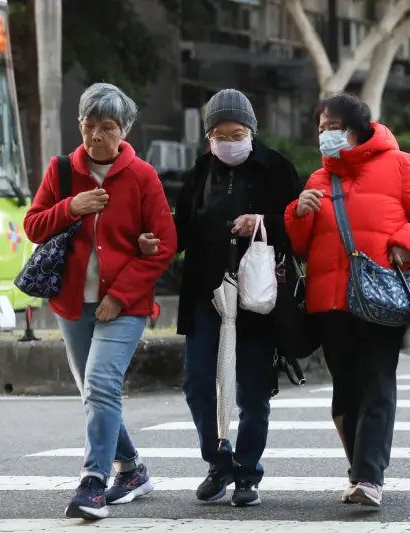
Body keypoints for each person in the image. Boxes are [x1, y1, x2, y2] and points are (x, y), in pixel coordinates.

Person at [283, 93, 410, 508]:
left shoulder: (400, 165)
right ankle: (359, 470)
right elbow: (300, 246)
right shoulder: (319, 180)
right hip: (330, 304)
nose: (324, 135)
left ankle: (369, 476)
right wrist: (296, 214)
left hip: (381, 299)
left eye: (331, 127)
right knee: (346, 390)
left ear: (355, 128)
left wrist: (407, 242)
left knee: (377, 384)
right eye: (320, 128)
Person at [23, 82, 177, 519]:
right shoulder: (62, 171)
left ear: (123, 130)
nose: (95, 136)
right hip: (72, 303)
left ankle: (94, 481)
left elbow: (165, 243)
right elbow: (34, 227)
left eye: (106, 127)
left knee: (102, 385)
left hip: (124, 305)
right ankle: (132, 468)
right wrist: (72, 206)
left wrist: (122, 294)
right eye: (89, 126)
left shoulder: (142, 176)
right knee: (94, 392)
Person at [159, 88, 301, 507]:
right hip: (207, 297)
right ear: (208, 137)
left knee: (253, 392)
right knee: (198, 383)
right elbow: (181, 231)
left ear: (252, 131)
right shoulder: (201, 171)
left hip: (258, 301)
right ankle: (218, 462)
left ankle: (247, 473)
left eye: (236, 133)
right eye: (219, 135)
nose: (228, 142)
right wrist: (157, 239)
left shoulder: (277, 169)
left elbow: (299, 229)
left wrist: (263, 222)